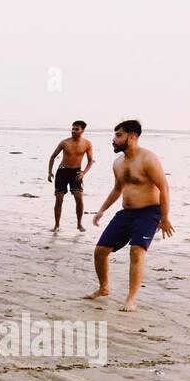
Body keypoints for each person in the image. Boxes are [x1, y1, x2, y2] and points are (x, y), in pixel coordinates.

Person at [85, 120, 172, 312]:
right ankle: (104, 288)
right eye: (115, 135)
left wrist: (164, 218)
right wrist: (102, 209)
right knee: (100, 251)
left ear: (132, 137)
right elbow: (118, 189)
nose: (114, 140)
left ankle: (131, 299)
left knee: (136, 251)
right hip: (126, 213)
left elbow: (164, 187)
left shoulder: (148, 159)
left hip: (149, 212)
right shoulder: (118, 163)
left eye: (118, 135)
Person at [46, 120, 94, 231]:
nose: (73, 131)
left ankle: (79, 224)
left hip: (76, 173)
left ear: (82, 130)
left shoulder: (87, 144)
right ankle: (56, 225)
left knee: (79, 198)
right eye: (72, 128)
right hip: (62, 172)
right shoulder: (64, 142)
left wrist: (83, 173)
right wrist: (49, 172)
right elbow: (53, 156)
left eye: (76, 129)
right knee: (59, 199)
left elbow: (90, 161)